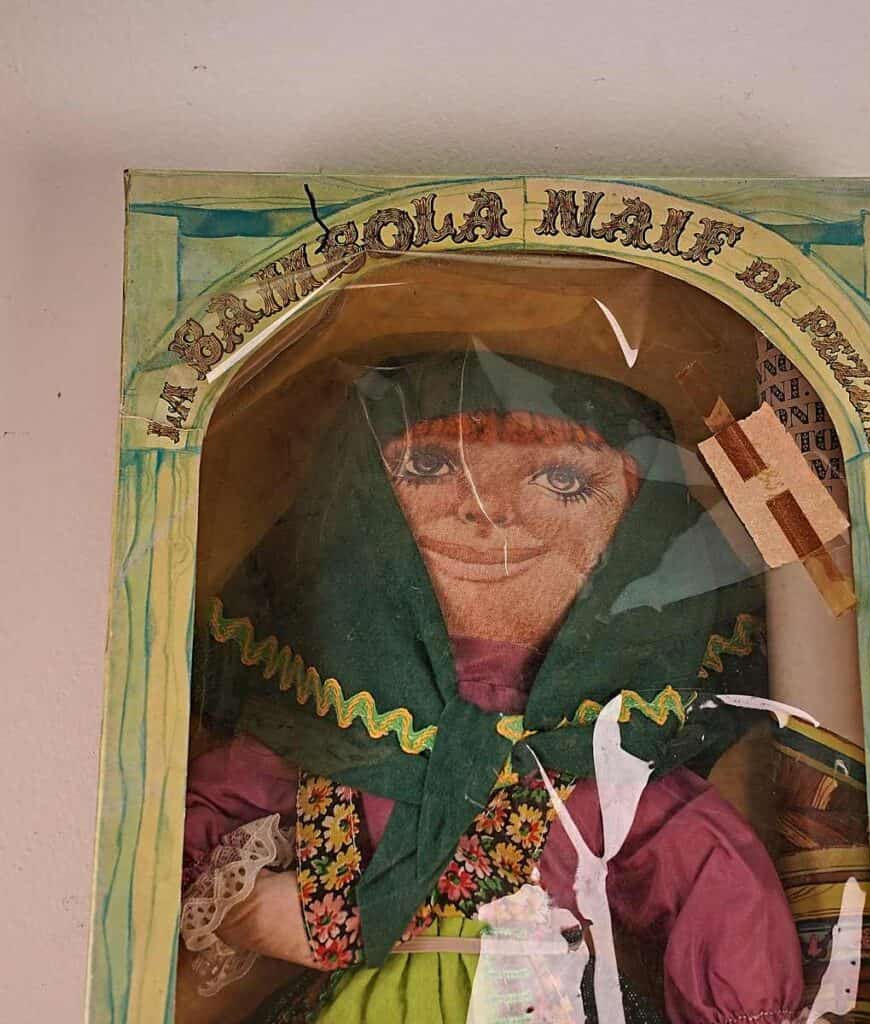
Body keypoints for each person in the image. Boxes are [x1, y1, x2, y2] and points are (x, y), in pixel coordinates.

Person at [178, 348, 805, 1024]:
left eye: (563, 480)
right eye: (429, 466)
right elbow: (184, 829)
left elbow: (706, 868)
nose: (489, 510)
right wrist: (246, 904)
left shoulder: (596, 744)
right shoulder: (330, 719)